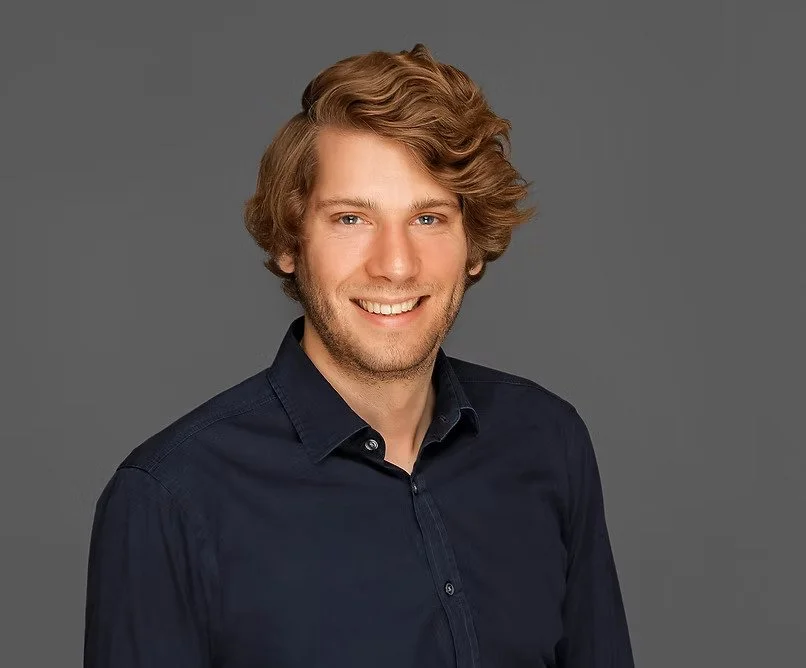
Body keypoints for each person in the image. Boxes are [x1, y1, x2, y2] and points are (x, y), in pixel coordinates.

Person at [83, 43, 634, 667]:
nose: (395, 264)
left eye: (428, 218)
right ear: (291, 241)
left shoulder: (547, 441)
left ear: (473, 245)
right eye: (351, 219)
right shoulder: (168, 499)